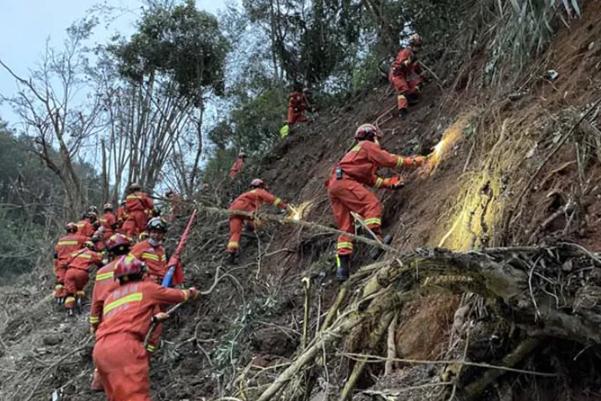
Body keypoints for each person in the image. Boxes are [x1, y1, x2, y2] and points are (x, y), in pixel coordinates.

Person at [326, 123, 426, 281]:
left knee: (346, 228)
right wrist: (413, 162)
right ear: (371, 136)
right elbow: (388, 160)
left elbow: (372, 180)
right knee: (371, 205)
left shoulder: (357, 157)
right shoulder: (366, 145)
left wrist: (390, 183)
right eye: (377, 138)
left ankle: (342, 269)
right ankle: (375, 241)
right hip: (344, 181)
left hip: (335, 185)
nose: (379, 142)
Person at [92, 256, 198, 400]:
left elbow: (120, 321)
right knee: (136, 396)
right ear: (142, 273)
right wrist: (191, 292)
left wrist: (153, 319)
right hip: (124, 347)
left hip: (100, 350)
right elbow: (177, 295)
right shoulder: (146, 288)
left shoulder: (111, 297)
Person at [89, 234, 133, 392]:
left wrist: (94, 324)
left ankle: (100, 381)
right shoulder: (134, 266)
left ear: (110, 252)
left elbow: (96, 304)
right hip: (129, 316)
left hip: (107, 319)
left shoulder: (102, 272)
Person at [226, 178, 290, 263]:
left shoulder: (246, 194)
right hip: (244, 206)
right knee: (258, 219)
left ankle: (231, 255)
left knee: (235, 233)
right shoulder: (258, 191)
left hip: (232, 210)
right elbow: (271, 198)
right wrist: (284, 206)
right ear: (261, 186)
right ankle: (254, 231)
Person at [388, 33, 424, 118]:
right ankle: (402, 110)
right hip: (396, 74)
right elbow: (402, 64)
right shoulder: (405, 52)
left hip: (405, 75)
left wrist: (422, 76)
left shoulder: (413, 55)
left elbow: (416, 69)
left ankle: (411, 96)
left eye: (419, 46)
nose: (418, 48)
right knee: (403, 89)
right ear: (412, 45)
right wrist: (409, 61)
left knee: (417, 83)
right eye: (417, 45)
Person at [63, 241, 103, 315]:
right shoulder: (92, 254)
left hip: (70, 272)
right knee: (79, 289)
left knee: (69, 292)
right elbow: (99, 263)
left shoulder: (75, 252)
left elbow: (66, 262)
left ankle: (70, 310)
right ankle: (80, 302)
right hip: (82, 273)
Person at [52, 223, 87, 302]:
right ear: (75, 230)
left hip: (61, 263)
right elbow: (89, 245)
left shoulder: (61, 240)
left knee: (61, 281)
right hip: (73, 263)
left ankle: (59, 298)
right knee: (73, 283)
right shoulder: (81, 238)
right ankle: (74, 299)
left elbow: (56, 253)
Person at [130, 217, 170, 283]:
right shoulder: (140, 247)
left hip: (162, 283)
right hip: (146, 284)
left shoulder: (162, 250)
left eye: (159, 233)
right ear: (149, 233)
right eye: (154, 232)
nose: (156, 235)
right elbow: (128, 263)